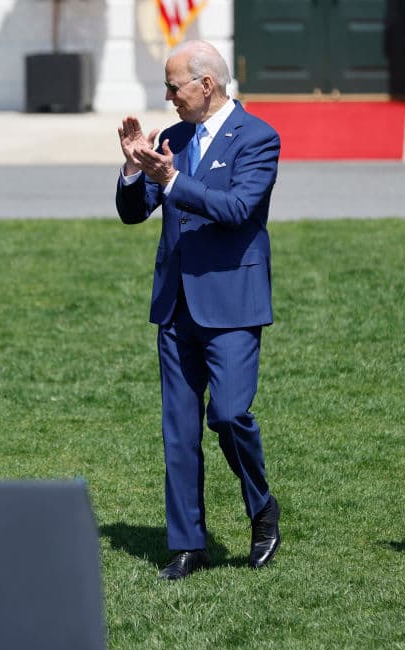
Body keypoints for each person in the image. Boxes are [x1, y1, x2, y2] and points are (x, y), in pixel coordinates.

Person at [116, 40, 282, 580]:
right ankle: (188, 543)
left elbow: (237, 209)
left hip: (231, 303)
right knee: (178, 429)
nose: (167, 97)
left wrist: (171, 181)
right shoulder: (173, 138)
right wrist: (133, 169)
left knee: (230, 415)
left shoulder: (258, 137)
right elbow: (134, 212)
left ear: (205, 85)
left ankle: (260, 507)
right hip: (175, 306)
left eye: (173, 86)